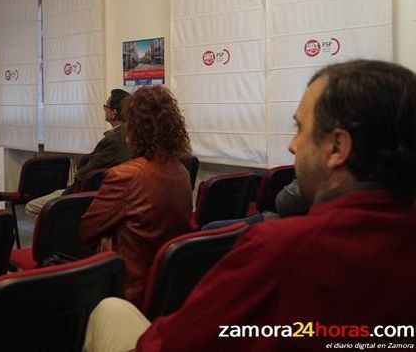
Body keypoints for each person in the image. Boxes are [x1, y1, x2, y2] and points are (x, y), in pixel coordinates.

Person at [84, 60, 416, 351]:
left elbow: (172, 343)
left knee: (110, 312)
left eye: (300, 129)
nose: (291, 145)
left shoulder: (277, 250)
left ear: (337, 147)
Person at [80, 85, 194, 309]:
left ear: (134, 127)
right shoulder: (181, 172)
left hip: (127, 291)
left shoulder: (125, 175)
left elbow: (87, 230)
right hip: (167, 287)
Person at [25, 89, 132, 217]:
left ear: (114, 113)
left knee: (31, 207)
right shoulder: (131, 135)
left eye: (105, 106)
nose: (104, 109)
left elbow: (85, 173)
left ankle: (55, 234)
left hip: (85, 196)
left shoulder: (112, 141)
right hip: (109, 196)